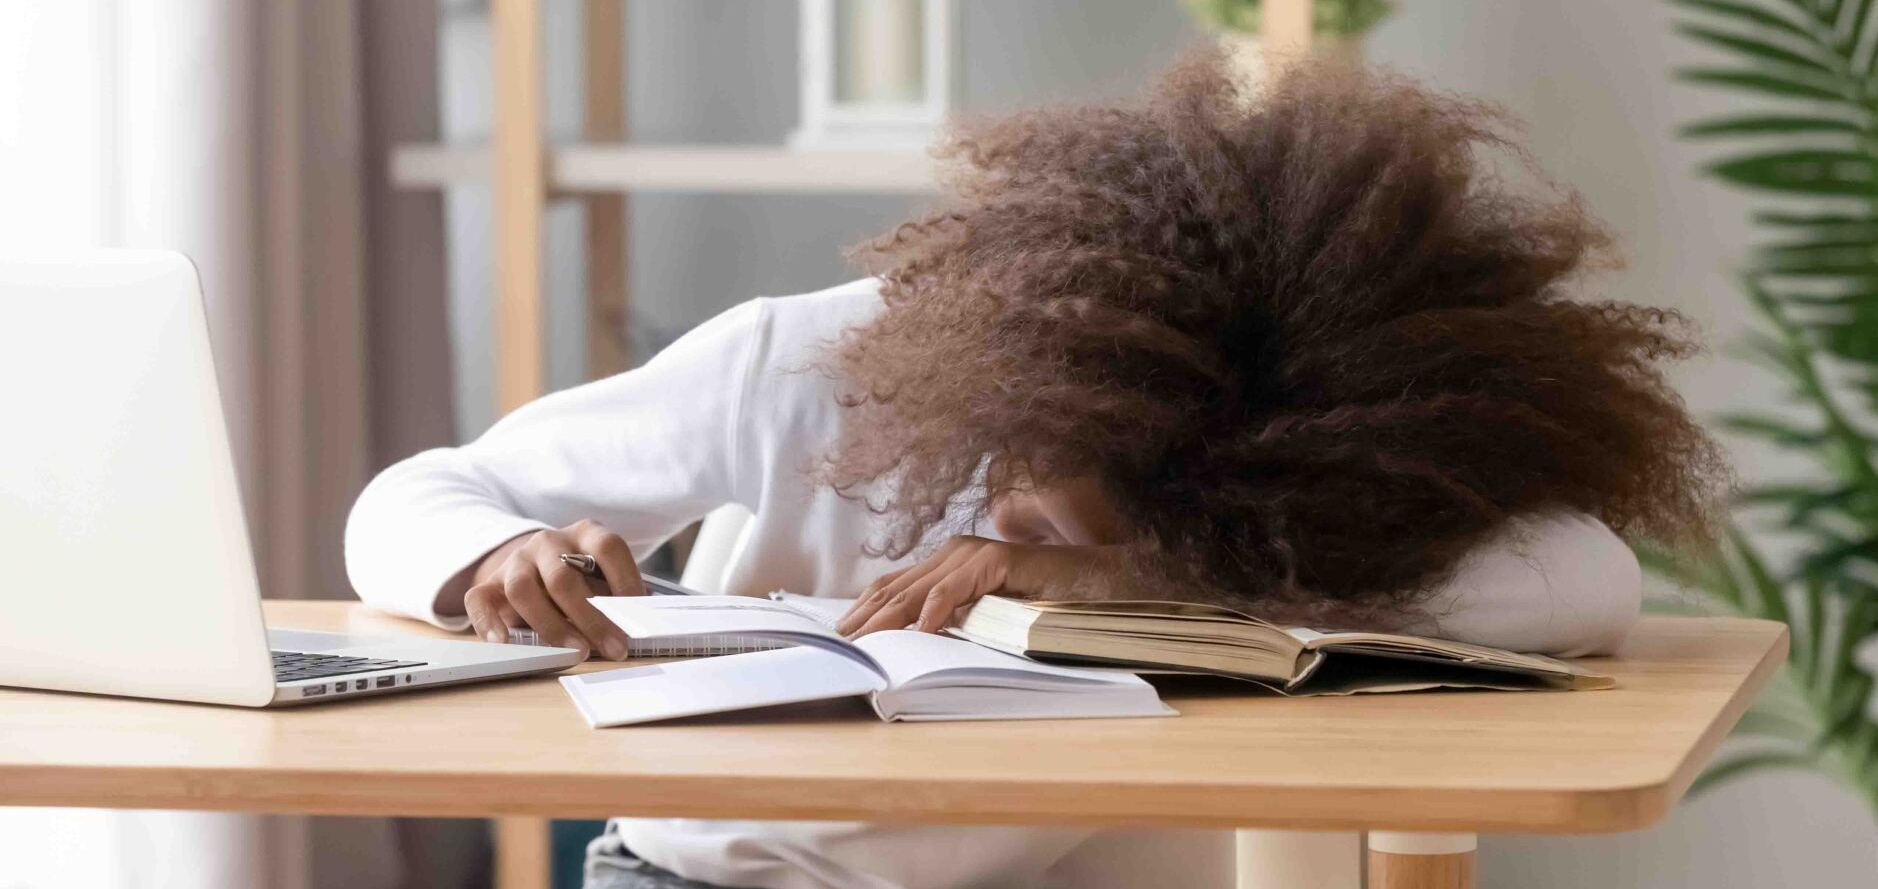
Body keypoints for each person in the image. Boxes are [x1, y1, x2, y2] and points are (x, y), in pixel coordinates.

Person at [345, 52, 1723, 889]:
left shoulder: (1302, 501)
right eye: (1025, 476)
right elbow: (412, 496)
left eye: (1081, 523)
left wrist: (1132, 578)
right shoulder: (806, 366)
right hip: (733, 875)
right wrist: (484, 560)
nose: (1007, 521)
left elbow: (1583, 580)